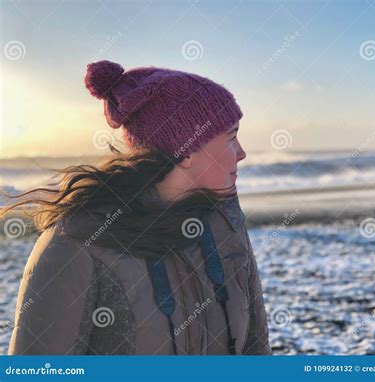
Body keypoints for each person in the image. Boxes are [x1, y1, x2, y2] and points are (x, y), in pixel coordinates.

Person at [5, 60, 272, 355]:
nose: (242, 153)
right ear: (185, 152)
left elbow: (256, 350)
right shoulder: (75, 246)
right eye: (232, 137)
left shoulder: (226, 225)